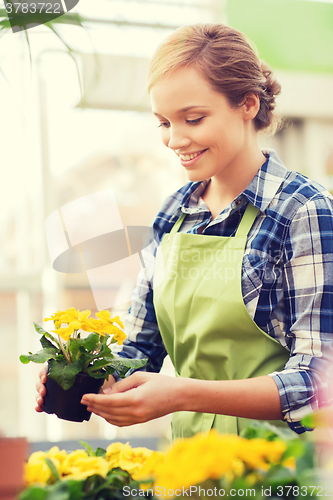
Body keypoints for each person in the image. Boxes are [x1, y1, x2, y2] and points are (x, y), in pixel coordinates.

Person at [36, 23, 333, 438]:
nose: (175, 139)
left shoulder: (303, 211)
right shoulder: (175, 212)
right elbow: (139, 350)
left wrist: (182, 394)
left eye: (193, 119)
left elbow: (318, 385)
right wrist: (82, 375)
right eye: (162, 122)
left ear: (248, 104)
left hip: (282, 471)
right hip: (191, 468)